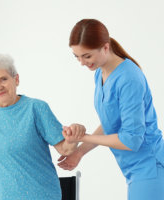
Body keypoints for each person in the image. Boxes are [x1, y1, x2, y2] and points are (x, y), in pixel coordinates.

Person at [58, 19, 164, 200]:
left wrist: (81, 137)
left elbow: (132, 140)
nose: (82, 63)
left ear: (105, 48)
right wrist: (80, 152)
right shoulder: (100, 72)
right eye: (77, 56)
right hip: (133, 169)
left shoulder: (129, 78)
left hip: (149, 167)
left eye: (87, 56)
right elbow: (111, 123)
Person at [0, 54, 85, 200]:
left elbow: (65, 149)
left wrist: (74, 136)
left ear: (16, 79)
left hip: (40, 194)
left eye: (4, 79)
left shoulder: (36, 108)